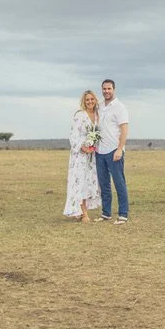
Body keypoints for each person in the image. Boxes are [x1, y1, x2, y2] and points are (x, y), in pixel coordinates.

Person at [63, 89, 102, 222]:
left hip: (93, 155)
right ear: (84, 102)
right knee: (79, 182)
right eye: (87, 100)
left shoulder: (98, 115)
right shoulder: (80, 115)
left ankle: (81, 211)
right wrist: (83, 147)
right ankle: (83, 212)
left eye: (92, 99)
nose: (90, 101)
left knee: (88, 182)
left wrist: (93, 146)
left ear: (95, 100)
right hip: (80, 155)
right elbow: (74, 135)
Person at [95, 78, 130, 224]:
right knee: (104, 184)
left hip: (114, 150)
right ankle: (106, 213)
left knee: (119, 183)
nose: (106, 91)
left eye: (109, 88)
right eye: (104, 89)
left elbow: (124, 129)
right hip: (100, 151)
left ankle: (123, 214)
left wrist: (120, 149)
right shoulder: (99, 106)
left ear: (113, 90)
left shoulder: (120, 107)